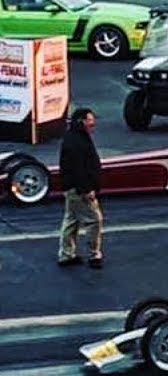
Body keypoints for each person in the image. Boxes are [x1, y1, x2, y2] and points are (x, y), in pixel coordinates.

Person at [57, 108, 104, 269]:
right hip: (79, 189)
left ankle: (66, 254)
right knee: (94, 219)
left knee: (71, 220)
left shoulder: (74, 137)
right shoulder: (77, 142)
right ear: (82, 121)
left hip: (71, 187)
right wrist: (87, 189)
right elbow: (79, 168)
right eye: (90, 120)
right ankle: (94, 255)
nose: (93, 123)